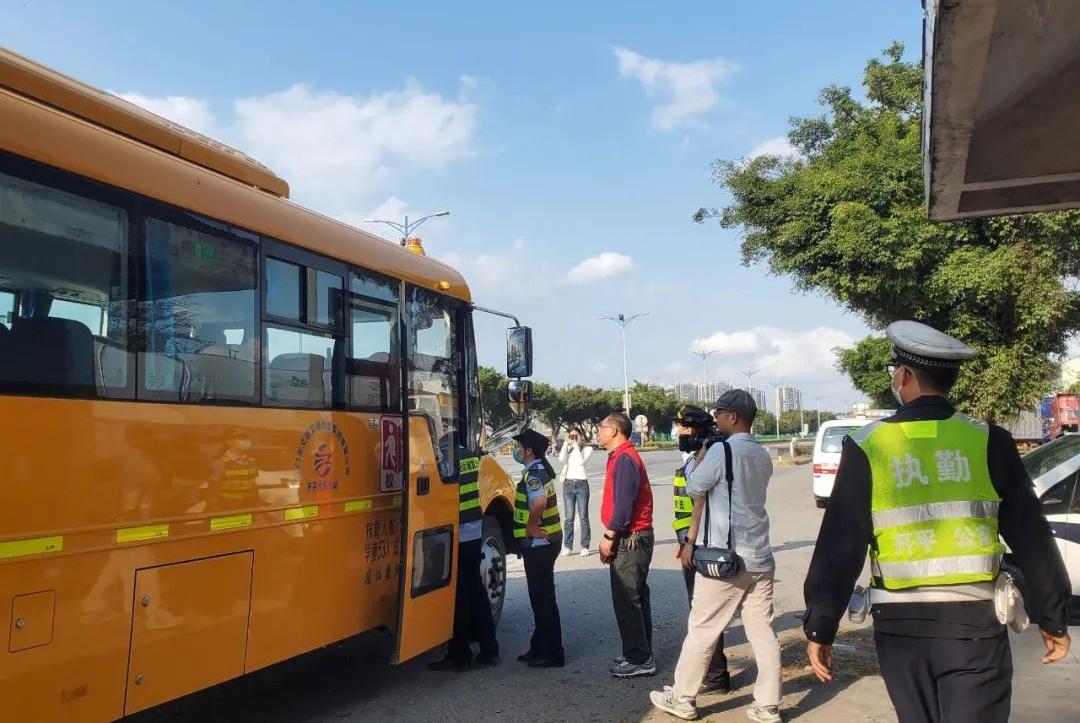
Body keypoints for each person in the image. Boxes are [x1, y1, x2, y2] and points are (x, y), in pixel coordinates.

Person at [803, 320, 1072, 723]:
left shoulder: (866, 446)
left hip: (900, 629)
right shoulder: (988, 441)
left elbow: (841, 544)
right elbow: (1031, 537)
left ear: (904, 376)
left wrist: (820, 627)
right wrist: (1052, 616)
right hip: (974, 626)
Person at [651, 389, 781, 723]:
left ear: (733, 417)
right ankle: (768, 705)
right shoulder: (762, 453)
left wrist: (703, 454)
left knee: (702, 629)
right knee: (763, 633)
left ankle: (682, 698)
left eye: (719, 413)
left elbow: (694, 486)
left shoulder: (721, 451)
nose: (716, 419)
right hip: (761, 557)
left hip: (726, 560)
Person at [671, 405, 730, 695]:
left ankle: (715, 676)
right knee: (702, 612)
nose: (678, 433)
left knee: (704, 614)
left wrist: (690, 543)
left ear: (695, 430)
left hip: (702, 546)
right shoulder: (693, 458)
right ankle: (714, 674)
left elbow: (699, 503)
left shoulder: (706, 459)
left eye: (682, 427)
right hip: (691, 543)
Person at [427, 449, 499, 672]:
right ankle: (489, 650)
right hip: (474, 529)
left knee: (458, 596)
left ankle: (460, 655)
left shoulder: (445, 454)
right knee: (476, 591)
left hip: (456, 531)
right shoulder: (469, 455)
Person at [598, 411, 656, 678]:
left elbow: (623, 505)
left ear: (614, 431)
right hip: (633, 536)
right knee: (635, 597)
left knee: (627, 599)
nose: (598, 431)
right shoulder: (621, 456)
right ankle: (640, 651)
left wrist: (610, 537)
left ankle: (639, 659)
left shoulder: (624, 458)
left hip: (630, 538)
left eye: (602, 427)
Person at [512, 427, 565, 667]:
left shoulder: (534, 474)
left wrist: (531, 525)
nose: (516, 450)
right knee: (541, 598)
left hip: (539, 544)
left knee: (542, 599)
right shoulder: (540, 469)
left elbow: (539, 501)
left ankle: (551, 653)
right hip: (546, 542)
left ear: (528, 450)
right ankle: (539, 646)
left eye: (519, 447)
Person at [559, 426, 594, 557]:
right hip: (568, 484)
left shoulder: (587, 449)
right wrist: (565, 443)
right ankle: (567, 546)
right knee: (569, 518)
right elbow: (561, 459)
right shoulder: (568, 449)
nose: (573, 438)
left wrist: (576, 445)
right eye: (571, 436)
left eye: (576, 436)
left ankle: (585, 546)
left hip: (582, 485)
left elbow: (581, 462)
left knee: (583, 517)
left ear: (581, 436)